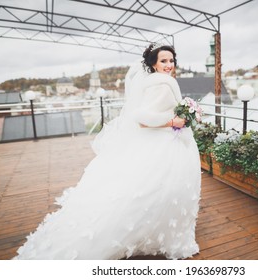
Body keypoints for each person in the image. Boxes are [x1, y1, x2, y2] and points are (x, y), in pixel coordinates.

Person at [13, 43, 202, 260]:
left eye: (171, 60)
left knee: (152, 189)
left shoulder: (152, 81)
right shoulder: (163, 83)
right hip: (164, 143)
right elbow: (142, 118)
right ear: (154, 64)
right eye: (163, 61)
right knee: (159, 189)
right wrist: (174, 120)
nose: (169, 65)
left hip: (160, 141)